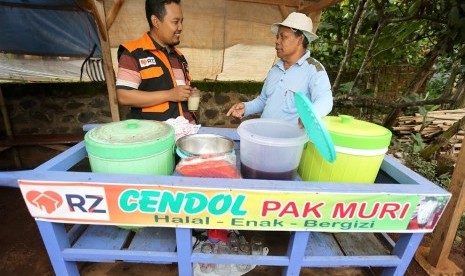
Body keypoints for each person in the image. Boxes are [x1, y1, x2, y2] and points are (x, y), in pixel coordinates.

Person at [226, 12, 333, 125]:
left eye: (283, 37)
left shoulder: (313, 69)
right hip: (265, 136)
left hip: (289, 141)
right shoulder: (275, 69)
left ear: (300, 40)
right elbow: (263, 100)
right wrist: (246, 108)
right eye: (277, 37)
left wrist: (310, 116)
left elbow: (325, 101)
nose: (277, 41)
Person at [116, 0, 196, 122]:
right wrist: (170, 94)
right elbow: (123, 96)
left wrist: (189, 93)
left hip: (186, 133)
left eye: (181, 22)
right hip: (155, 137)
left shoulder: (179, 57)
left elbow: (179, 96)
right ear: (156, 21)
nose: (181, 27)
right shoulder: (134, 53)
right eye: (175, 22)